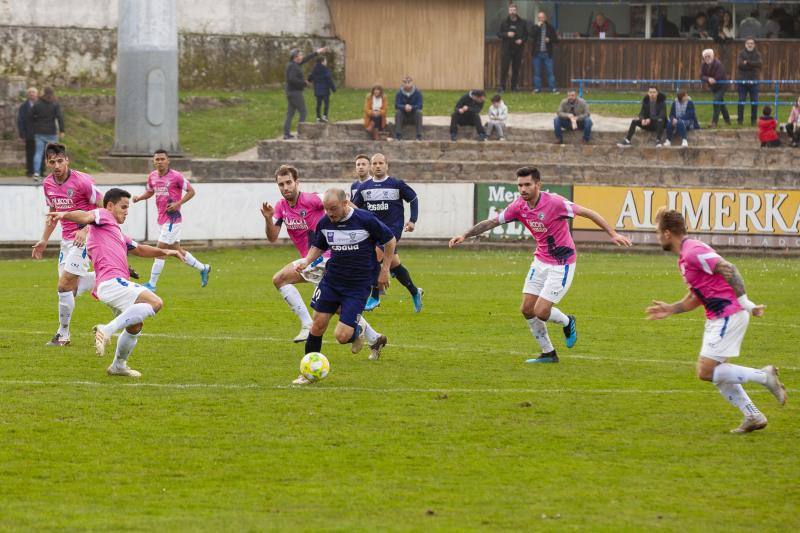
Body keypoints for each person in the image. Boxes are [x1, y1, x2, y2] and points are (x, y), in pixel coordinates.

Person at [449, 166, 631, 364]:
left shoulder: (555, 203)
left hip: (562, 264)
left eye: (527, 185)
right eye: (520, 185)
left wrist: (612, 234)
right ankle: (548, 353)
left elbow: (588, 213)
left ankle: (568, 321)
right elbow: (492, 222)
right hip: (540, 261)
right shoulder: (519, 206)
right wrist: (465, 235)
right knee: (527, 309)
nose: (523, 189)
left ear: (538, 184)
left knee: (541, 312)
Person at [646, 209, 787, 433]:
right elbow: (695, 297)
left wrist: (746, 303)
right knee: (720, 371)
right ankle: (753, 416)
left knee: (706, 371)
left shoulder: (693, 251)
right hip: (718, 317)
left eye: (656, 232)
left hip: (728, 314)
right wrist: (671, 309)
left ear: (666, 233)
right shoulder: (685, 258)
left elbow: (729, 268)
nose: (656, 236)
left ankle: (764, 376)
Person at [48, 188, 185, 377]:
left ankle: (118, 366)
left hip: (113, 284)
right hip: (111, 282)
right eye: (123, 207)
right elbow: (85, 215)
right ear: (111, 206)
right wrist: (64, 214)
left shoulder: (117, 232)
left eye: (128, 208)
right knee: (155, 303)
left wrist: (167, 252)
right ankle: (107, 329)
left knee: (135, 325)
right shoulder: (103, 215)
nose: (126, 211)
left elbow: (140, 249)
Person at [292, 188, 396, 383]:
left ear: (345, 203)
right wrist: (306, 261)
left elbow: (390, 241)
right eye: (326, 209)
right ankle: (306, 373)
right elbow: (319, 246)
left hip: (358, 285)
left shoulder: (365, 220)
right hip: (332, 281)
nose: (330, 213)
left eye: (333, 209)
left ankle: (357, 331)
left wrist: (385, 269)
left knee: (341, 336)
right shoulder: (325, 222)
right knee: (317, 324)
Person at [31, 143, 102, 347]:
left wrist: (85, 228)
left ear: (67, 160)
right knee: (68, 290)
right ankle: (109, 276)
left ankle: (63, 335)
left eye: (60, 161)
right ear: (46, 163)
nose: (56, 165)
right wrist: (44, 239)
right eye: (52, 162)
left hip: (85, 239)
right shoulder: (48, 184)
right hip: (66, 241)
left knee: (63, 285)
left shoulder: (83, 181)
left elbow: (104, 207)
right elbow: (53, 213)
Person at [131, 150, 211, 291]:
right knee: (176, 249)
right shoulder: (152, 176)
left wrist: (177, 203)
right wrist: (139, 198)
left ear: (168, 161)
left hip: (172, 219)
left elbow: (191, 191)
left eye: (162, 159)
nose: (160, 161)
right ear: (154, 161)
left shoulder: (176, 177)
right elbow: (150, 192)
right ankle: (203, 268)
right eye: (157, 159)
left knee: (160, 250)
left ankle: (152, 284)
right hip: (162, 218)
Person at [352, 153, 423, 313]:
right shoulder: (364, 188)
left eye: (380, 163)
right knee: (395, 265)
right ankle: (414, 291)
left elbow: (413, 199)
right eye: (375, 163)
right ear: (372, 166)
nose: (377, 166)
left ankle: (375, 296)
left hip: (392, 230)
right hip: (374, 231)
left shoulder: (396, 184)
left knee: (373, 257)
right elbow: (354, 209)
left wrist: (413, 220)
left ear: (386, 165)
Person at [283, 46, 326, 140]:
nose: (302, 56)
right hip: (295, 92)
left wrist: (317, 52)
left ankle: (286, 134)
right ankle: (301, 133)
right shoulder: (293, 66)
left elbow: (306, 59)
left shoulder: (293, 64)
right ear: (295, 57)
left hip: (290, 92)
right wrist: (304, 83)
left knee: (290, 113)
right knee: (303, 112)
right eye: (300, 55)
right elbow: (291, 79)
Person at [31, 87, 65, 180]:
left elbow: (31, 116)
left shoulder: (37, 103)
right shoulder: (55, 104)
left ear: (43, 93)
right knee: (54, 154)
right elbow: (59, 117)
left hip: (39, 132)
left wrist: (34, 126)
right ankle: (55, 173)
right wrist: (62, 130)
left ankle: (36, 173)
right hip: (51, 132)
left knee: (38, 153)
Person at [497, 3, 527, 93]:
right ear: (508, 11)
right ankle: (502, 87)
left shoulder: (522, 22)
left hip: (518, 49)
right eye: (511, 10)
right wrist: (507, 34)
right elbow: (498, 34)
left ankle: (514, 87)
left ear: (516, 11)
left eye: (514, 10)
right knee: (504, 68)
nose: (512, 12)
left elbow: (526, 35)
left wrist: (522, 40)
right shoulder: (504, 22)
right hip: (506, 49)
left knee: (516, 69)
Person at [701, 49, 731, 127]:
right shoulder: (703, 65)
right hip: (713, 87)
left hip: (722, 86)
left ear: (713, 56)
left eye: (709, 56)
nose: (707, 58)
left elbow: (720, 75)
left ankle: (714, 122)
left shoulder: (718, 64)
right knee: (721, 104)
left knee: (716, 101)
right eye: (705, 56)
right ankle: (727, 121)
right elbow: (701, 76)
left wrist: (712, 79)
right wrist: (708, 79)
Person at [531, 11, 559, 94]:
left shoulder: (550, 27)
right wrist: (537, 27)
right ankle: (537, 89)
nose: (541, 19)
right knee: (537, 72)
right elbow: (531, 35)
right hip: (537, 53)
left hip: (547, 53)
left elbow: (556, 39)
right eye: (539, 18)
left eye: (542, 17)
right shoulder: (535, 27)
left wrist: (549, 39)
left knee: (550, 72)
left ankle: (553, 89)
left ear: (545, 18)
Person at [736, 39, 762, 126]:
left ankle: (753, 121)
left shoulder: (758, 54)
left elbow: (759, 64)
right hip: (742, 81)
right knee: (741, 101)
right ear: (745, 44)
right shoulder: (741, 53)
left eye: (752, 43)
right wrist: (752, 65)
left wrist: (747, 63)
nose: (750, 45)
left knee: (754, 102)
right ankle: (740, 121)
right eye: (748, 43)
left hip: (754, 81)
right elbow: (740, 65)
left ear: (754, 45)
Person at [16, 87, 37, 178]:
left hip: (39, 133)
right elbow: (20, 120)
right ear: (28, 95)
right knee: (29, 153)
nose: (32, 94)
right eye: (30, 92)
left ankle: (39, 171)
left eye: (34, 92)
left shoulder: (40, 105)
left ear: (37, 94)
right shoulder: (23, 106)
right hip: (28, 133)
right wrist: (22, 134)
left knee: (40, 153)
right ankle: (30, 171)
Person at [394, 76, 423, 141]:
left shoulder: (417, 92)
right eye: (405, 82)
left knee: (419, 112)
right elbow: (396, 105)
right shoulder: (399, 93)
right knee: (398, 112)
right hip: (403, 116)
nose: (407, 84)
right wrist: (404, 107)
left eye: (409, 82)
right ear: (402, 83)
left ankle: (419, 136)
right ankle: (398, 136)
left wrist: (411, 107)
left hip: (413, 116)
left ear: (412, 83)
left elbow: (420, 105)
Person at [308, 56, 336, 123]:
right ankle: (325, 116)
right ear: (322, 61)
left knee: (318, 104)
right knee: (326, 103)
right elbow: (329, 79)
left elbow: (310, 78)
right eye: (325, 61)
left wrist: (310, 80)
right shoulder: (325, 69)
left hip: (317, 89)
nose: (326, 62)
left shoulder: (314, 69)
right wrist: (333, 88)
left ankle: (318, 117)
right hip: (325, 89)